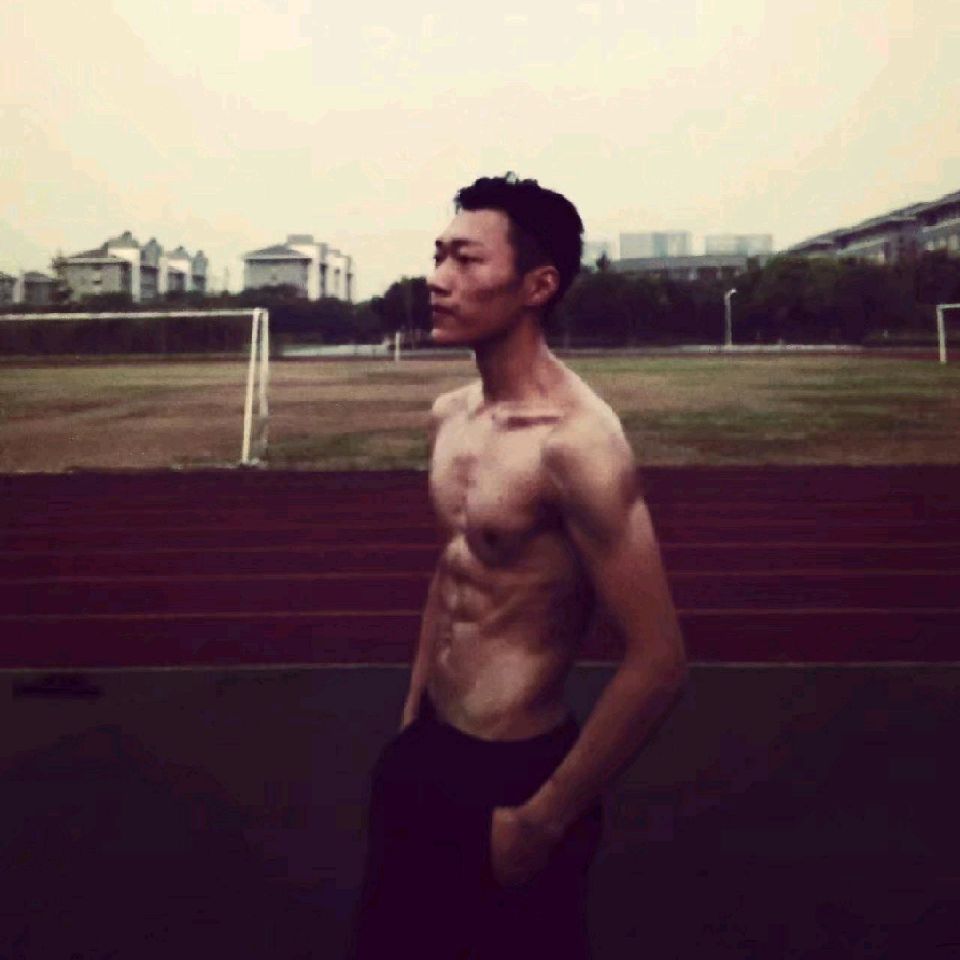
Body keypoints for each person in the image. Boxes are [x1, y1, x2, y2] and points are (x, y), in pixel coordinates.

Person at [348, 174, 687, 959]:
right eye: (438, 255)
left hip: (515, 777)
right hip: (424, 759)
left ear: (537, 286)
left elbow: (660, 660)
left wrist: (542, 817)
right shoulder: (450, 417)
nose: (438, 279)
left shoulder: (579, 444)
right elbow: (452, 571)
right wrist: (411, 723)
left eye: (466, 260)